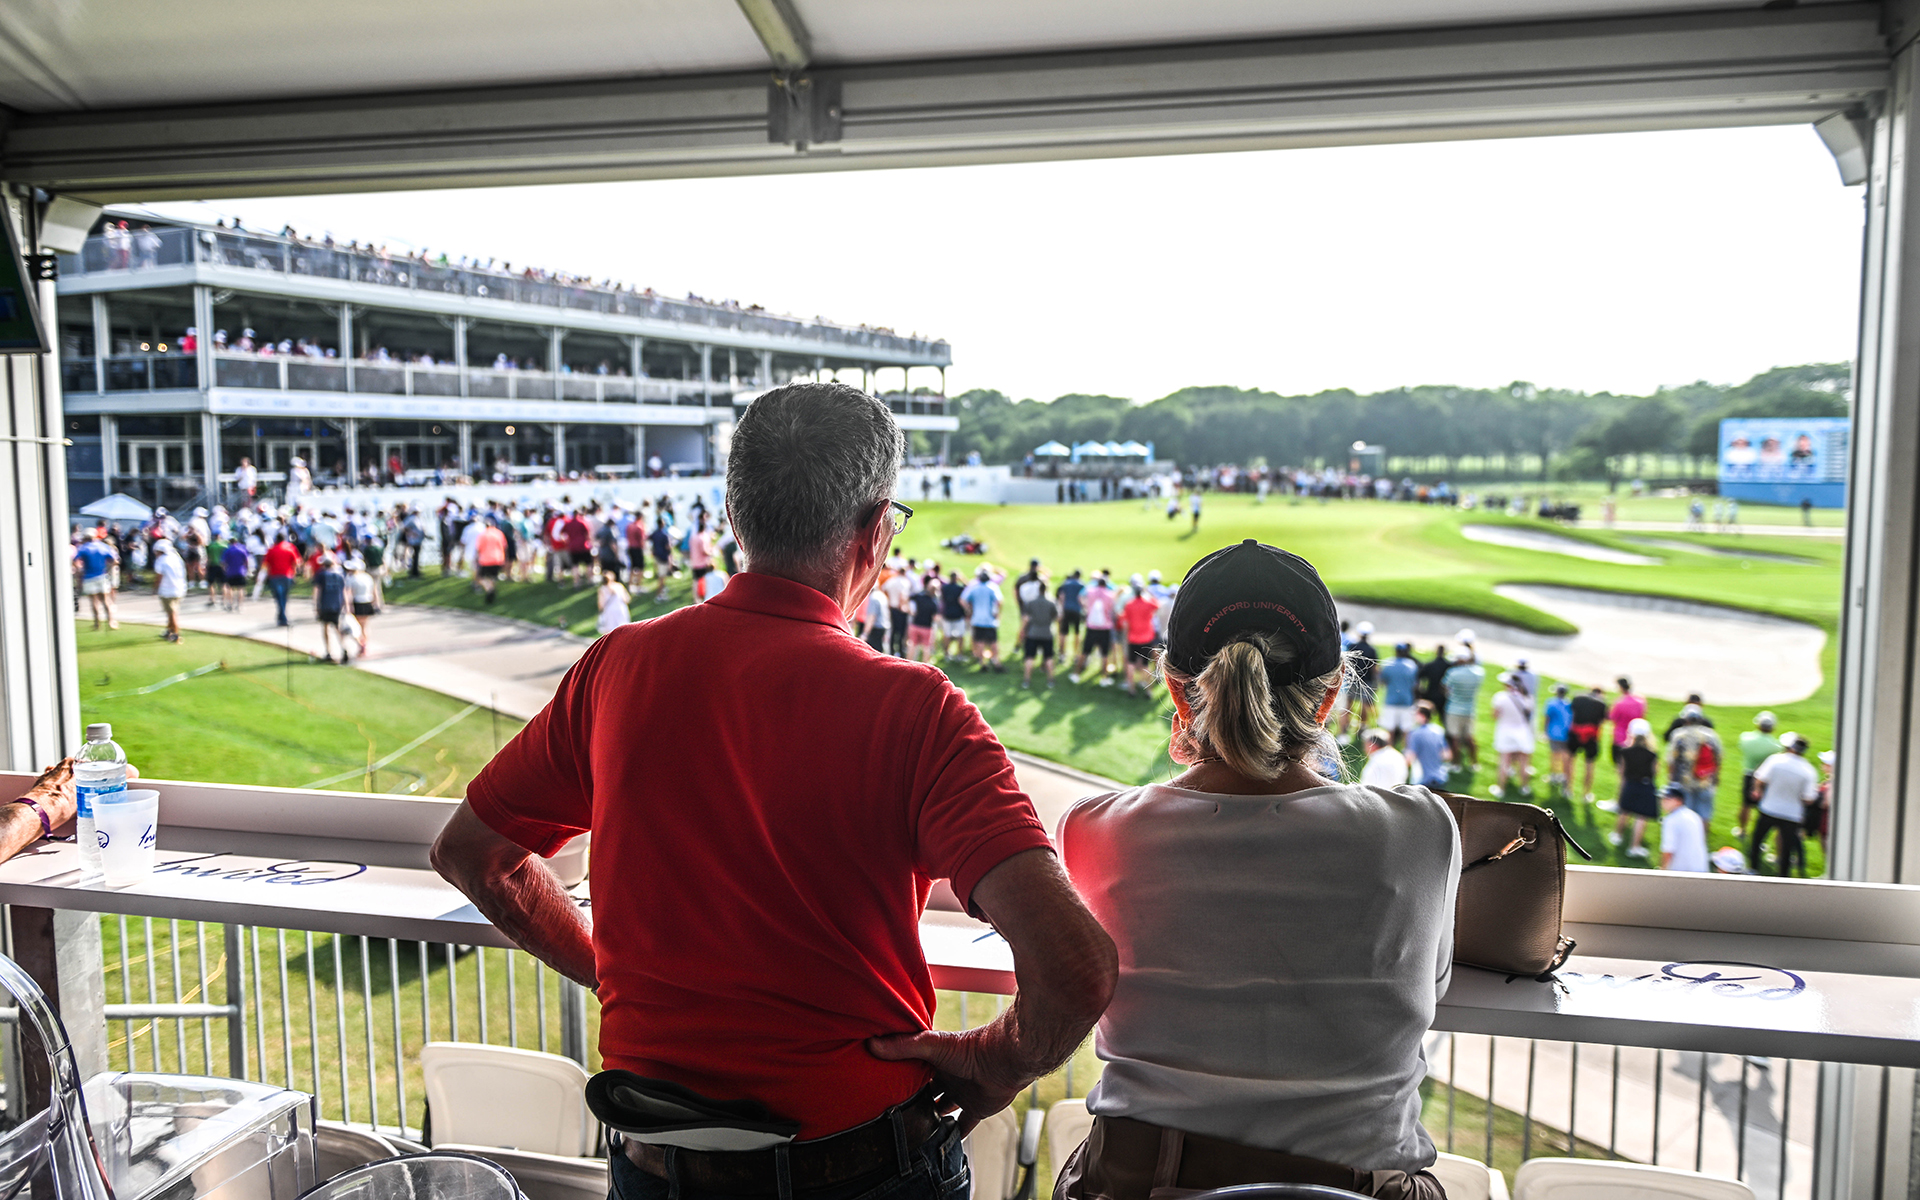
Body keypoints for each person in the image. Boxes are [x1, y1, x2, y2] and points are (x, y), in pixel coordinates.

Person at [430, 382, 1116, 1200]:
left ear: (735, 516)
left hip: (654, 1167)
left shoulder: (616, 669)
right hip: (861, 1168)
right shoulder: (919, 710)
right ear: (876, 532)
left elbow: (472, 853)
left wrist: (605, 970)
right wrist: (995, 1063)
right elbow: (1075, 967)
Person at [1056, 538, 1458, 1200]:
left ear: (1178, 692)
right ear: (1330, 698)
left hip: (1143, 1182)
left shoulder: (1095, 829)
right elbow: (1430, 983)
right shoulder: (1421, 829)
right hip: (1360, 1189)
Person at [1752, 733, 1819, 877]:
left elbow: (1760, 779)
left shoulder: (1775, 760)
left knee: (1757, 840)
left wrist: (1758, 791)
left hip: (1769, 808)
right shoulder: (1808, 770)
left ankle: (1753, 868)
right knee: (1787, 849)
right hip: (1792, 814)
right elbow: (1809, 799)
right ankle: (1783, 876)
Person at [1609, 717, 1659, 860]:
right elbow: (1655, 772)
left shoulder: (1625, 752)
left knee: (1624, 811)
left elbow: (1622, 772)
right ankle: (1634, 846)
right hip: (1646, 785)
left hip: (1630, 785)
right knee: (1641, 817)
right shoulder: (1652, 754)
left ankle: (1617, 835)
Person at [1666, 705, 1723, 827]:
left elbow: (1671, 760)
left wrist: (1671, 779)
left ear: (1685, 719)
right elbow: (1718, 758)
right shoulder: (1711, 735)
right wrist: (1716, 777)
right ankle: (1702, 837)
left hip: (1684, 783)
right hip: (1705, 781)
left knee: (1686, 815)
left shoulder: (1678, 735)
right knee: (1704, 815)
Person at [1736, 711, 1782, 840]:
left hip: (1749, 774)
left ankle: (1742, 830)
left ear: (1758, 724)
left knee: (1746, 804)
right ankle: (1760, 837)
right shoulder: (1776, 746)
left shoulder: (1746, 738)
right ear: (1773, 728)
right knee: (1763, 809)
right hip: (1766, 778)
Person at [1489, 671, 1535, 798]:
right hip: (1522, 733)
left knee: (1504, 761)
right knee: (1523, 762)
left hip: (1505, 732)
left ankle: (1501, 788)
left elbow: (1495, 715)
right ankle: (1524, 787)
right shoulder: (1527, 698)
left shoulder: (1500, 697)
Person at [1440, 648, 1484, 770]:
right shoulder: (1478, 673)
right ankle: (1474, 763)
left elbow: (1444, 687)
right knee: (1469, 737)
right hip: (1469, 710)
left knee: (1455, 738)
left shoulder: (1453, 673)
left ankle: (1456, 764)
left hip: (1453, 709)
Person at [1568, 685, 1608, 805]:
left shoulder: (1577, 698)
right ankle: (1586, 794)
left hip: (1575, 733)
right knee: (1589, 765)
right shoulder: (1602, 704)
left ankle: (1568, 789)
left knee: (1570, 761)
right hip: (1591, 737)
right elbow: (1603, 721)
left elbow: (1571, 713)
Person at [1075, 572, 1118, 685]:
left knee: (1085, 651)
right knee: (1105, 654)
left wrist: (1085, 608)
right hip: (1105, 627)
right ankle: (1104, 677)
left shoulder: (1090, 591)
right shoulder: (1110, 595)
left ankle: (1076, 673)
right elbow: (1113, 609)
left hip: (1091, 626)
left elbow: (1080, 597)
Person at [1120, 582, 1160, 698]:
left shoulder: (1129, 604)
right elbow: (1157, 604)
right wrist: (1148, 592)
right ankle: (1149, 691)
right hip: (1146, 638)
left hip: (1133, 638)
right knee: (1146, 665)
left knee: (1131, 664)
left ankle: (1131, 689)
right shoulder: (1148, 603)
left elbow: (1125, 621)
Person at [74, 528, 119, 631]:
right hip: (102, 575)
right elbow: (114, 560)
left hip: (88, 576)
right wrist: (107, 569)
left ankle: (97, 623)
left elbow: (75, 560)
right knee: (106, 600)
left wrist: (79, 570)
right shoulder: (103, 546)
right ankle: (111, 622)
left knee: (94, 601)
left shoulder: (83, 548)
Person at [1658, 784, 1709, 873]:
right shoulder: (1694, 816)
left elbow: (1668, 850)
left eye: (1668, 798)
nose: (1663, 801)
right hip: (1701, 869)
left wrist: (1662, 870)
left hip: (1680, 872)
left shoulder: (1671, 820)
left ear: (1679, 801)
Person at [963, 567, 1005, 672]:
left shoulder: (974, 588)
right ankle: (996, 662)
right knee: (993, 642)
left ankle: (982, 663)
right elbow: (1000, 601)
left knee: (980, 642)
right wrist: (998, 613)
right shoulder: (992, 587)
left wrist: (969, 610)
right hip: (989, 620)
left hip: (977, 619)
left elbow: (963, 599)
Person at [1377, 644, 1419, 748]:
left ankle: (1389, 748)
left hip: (1391, 700)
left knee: (1390, 729)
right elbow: (1415, 684)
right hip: (1407, 700)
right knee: (1406, 729)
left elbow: (1382, 681)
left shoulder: (1388, 664)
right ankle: (1406, 749)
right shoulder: (1411, 665)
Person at [1020, 579, 1059, 690]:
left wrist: (1023, 631)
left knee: (1029, 657)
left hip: (1033, 633)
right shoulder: (1051, 603)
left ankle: (1026, 680)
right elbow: (1056, 617)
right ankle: (1051, 680)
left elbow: (1026, 618)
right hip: (1047, 633)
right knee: (1049, 657)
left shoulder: (1031, 602)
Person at [312, 554, 350, 663]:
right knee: (337, 628)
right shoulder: (339, 575)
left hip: (325, 604)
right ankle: (344, 648)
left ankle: (328, 651)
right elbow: (344, 591)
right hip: (337, 605)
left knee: (325, 628)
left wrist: (316, 605)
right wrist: (347, 605)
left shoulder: (321, 575)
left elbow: (317, 590)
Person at [1405, 701, 1451, 788]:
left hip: (1422, 780)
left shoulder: (1415, 733)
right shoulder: (1439, 731)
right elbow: (1447, 755)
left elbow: (1410, 758)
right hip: (1441, 777)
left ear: (1422, 715)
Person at [1608, 677, 1647, 781]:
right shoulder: (1640, 701)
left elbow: (1612, 718)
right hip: (1635, 739)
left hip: (1620, 738)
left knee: (1620, 769)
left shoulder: (1619, 703)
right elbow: (1642, 716)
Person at [345, 556, 383, 657]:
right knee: (365, 626)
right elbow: (374, 591)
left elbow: (349, 594)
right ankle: (366, 644)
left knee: (357, 627)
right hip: (367, 602)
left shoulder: (351, 579)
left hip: (357, 602)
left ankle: (361, 645)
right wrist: (376, 603)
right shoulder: (368, 577)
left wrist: (348, 606)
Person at [263, 531, 300, 627]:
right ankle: (282, 616)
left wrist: (265, 575)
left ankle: (282, 617)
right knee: (284, 597)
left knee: (278, 597)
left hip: (274, 576)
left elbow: (266, 564)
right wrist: (294, 574)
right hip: (287, 575)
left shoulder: (272, 550)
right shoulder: (290, 548)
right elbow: (295, 563)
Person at [1543, 685, 1574, 797]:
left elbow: (1547, 718)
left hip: (1554, 733)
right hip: (1566, 734)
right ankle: (1561, 775)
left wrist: (1544, 731)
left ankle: (1554, 775)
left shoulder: (1551, 703)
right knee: (1565, 758)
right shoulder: (1569, 704)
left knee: (1554, 756)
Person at [906, 575, 940, 663]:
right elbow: (935, 617)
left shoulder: (919, 596)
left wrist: (909, 610)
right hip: (926, 627)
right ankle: (926, 664)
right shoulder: (933, 602)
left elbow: (908, 597)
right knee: (926, 647)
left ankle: (908, 663)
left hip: (915, 624)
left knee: (912, 645)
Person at [474, 518, 508, 604]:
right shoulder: (499, 533)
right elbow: (504, 546)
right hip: (498, 558)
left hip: (486, 559)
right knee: (493, 577)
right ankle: (491, 591)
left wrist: (477, 558)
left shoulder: (483, 534)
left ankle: (489, 589)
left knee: (481, 577)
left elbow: (478, 548)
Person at [1056, 569, 1086, 663]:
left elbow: (1061, 597)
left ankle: (1062, 654)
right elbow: (1083, 599)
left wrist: (1061, 609)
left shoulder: (1066, 584)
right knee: (1077, 633)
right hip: (1077, 611)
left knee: (1063, 633)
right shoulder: (1082, 585)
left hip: (1066, 610)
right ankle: (1076, 655)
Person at [938, 570, 968, 662]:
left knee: (946, 635)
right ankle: (959, 654)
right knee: (960, 636)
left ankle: (947, 654)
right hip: (958, 614)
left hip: (947, 613)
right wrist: (962, 579)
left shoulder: (944, 588)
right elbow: (968, 586)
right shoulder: (960, 588)